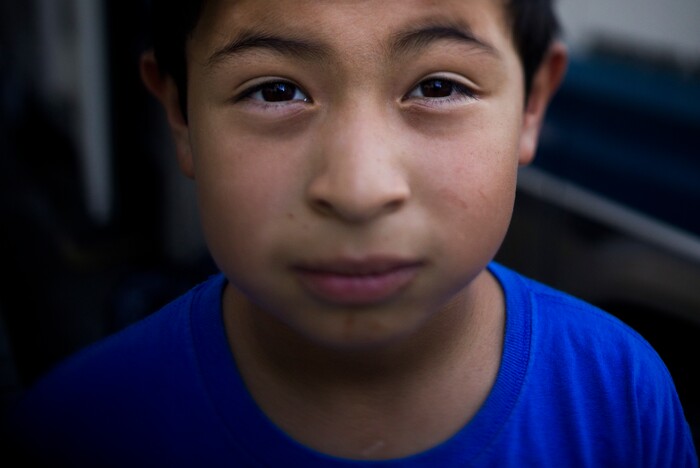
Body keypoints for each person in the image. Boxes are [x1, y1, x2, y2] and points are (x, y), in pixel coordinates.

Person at [3, 0, 697, 465]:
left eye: (438, 86)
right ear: (180, 115)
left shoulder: (619, 400)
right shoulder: (74, 429)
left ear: (531, 106)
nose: (360, 190)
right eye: (275, 90)